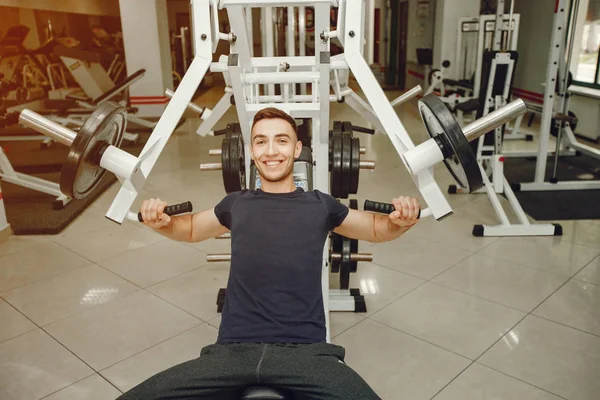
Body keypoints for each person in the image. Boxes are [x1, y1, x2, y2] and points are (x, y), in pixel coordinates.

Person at [120, 107, 420, 400]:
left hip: (305, 354)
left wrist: (402, 220)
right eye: (261, 141)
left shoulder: (321, 205)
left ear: (297, 148)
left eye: (282, 140)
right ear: (252, 151)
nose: (271, 151)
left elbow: (378, 229)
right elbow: (189, 229)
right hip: (231, 353)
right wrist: (161, 222)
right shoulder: (235, 203)